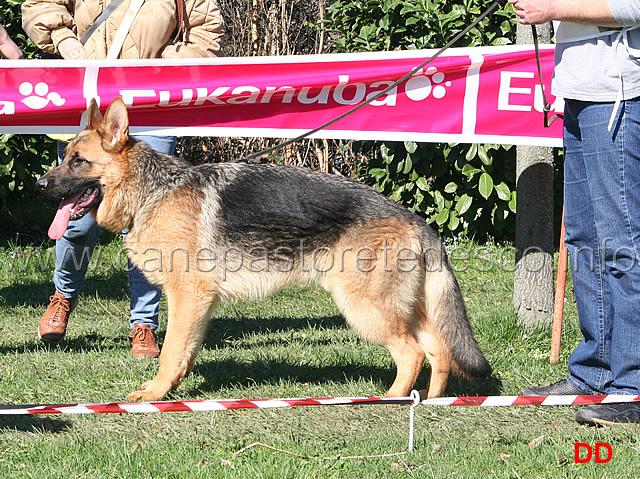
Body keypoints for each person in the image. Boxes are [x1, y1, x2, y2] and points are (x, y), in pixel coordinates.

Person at [21, 0, 224, 357]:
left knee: (152, 226)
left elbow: (206, 33)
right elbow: (41, 4)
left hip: (152, 103)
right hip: (88, 100)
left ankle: (143, 324)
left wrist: (163, 69)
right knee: (79, 223)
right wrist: (63, 39)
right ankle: (62, 296)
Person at [510, 0, 640, 425]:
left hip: (619, 96)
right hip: (582, 93)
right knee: (583, 238)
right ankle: (593, 377)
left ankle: (631, 387)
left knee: (620, 242)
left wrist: (549, 8)